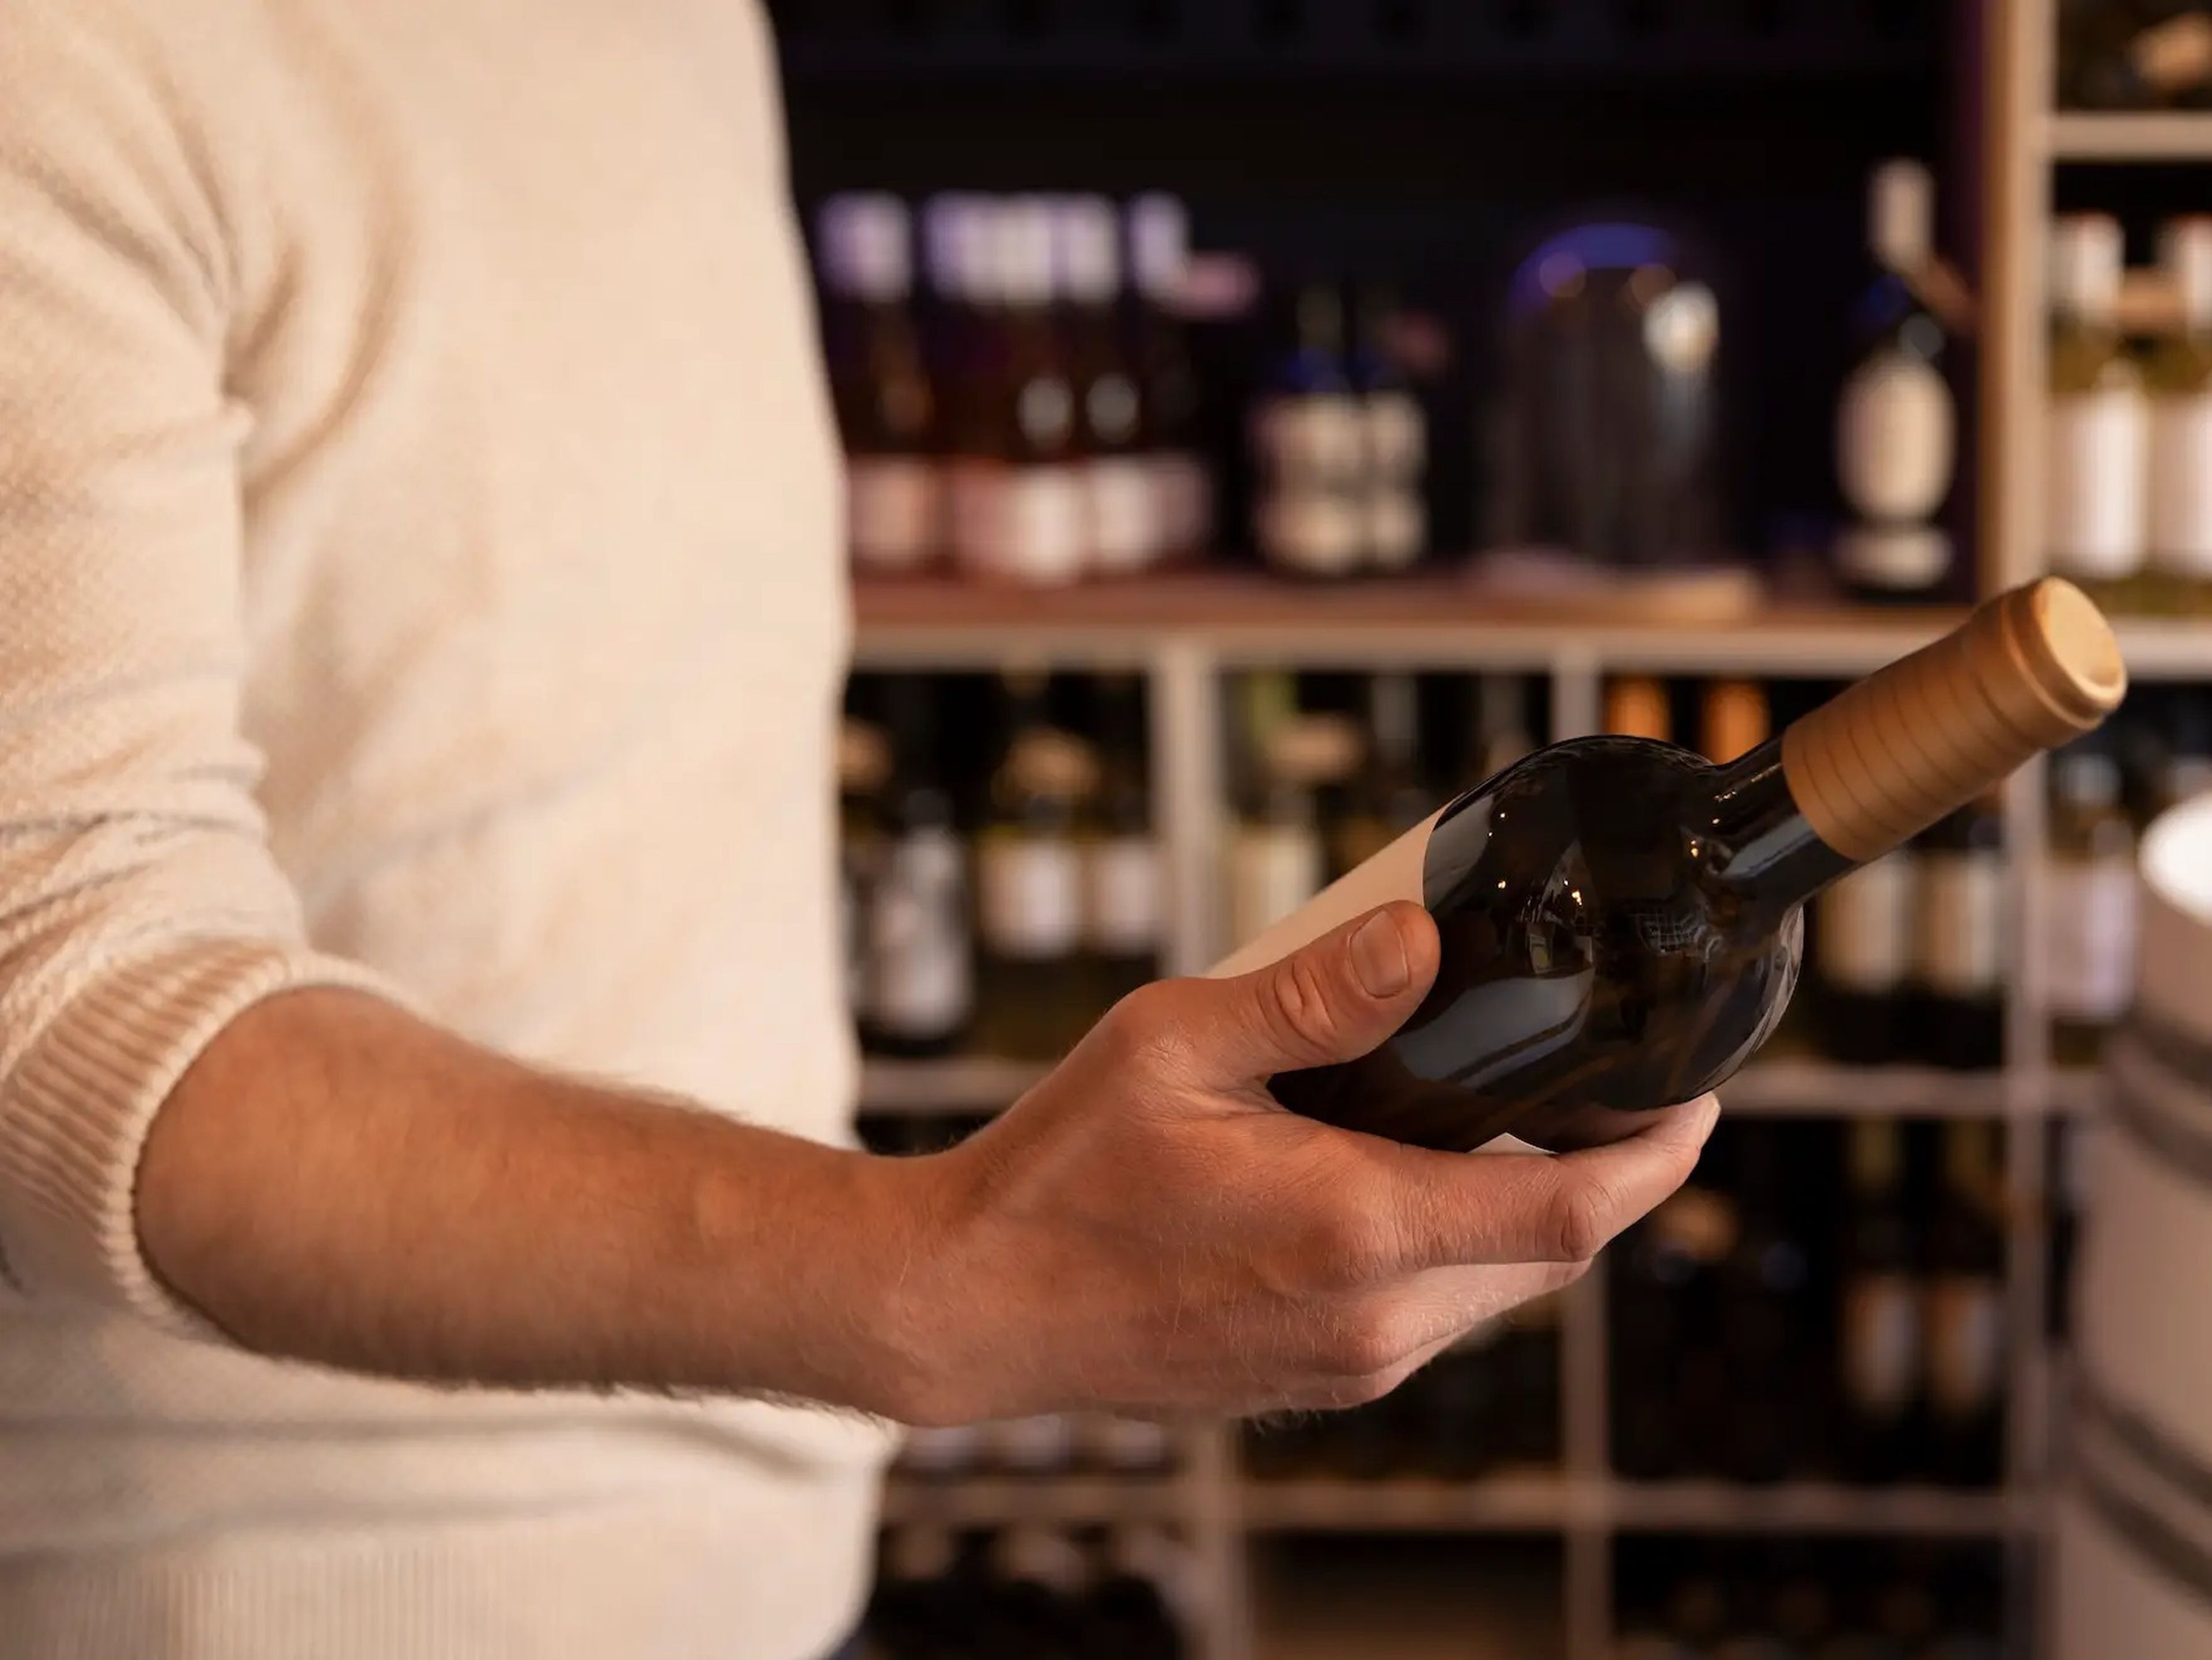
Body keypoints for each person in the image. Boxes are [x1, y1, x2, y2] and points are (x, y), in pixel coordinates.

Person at [0, 2, 1718, 1655]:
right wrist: (931, 1282)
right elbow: (56, 988)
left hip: (766, 1538)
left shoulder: (678, 25)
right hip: (272, 1593)